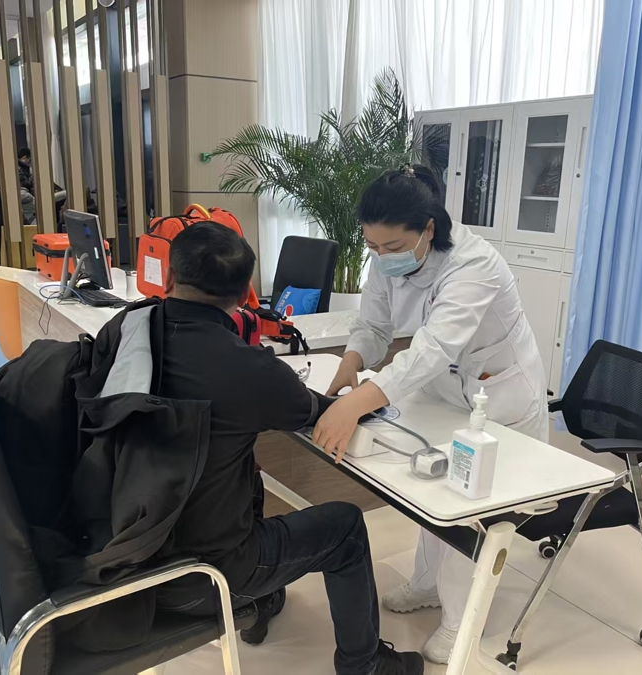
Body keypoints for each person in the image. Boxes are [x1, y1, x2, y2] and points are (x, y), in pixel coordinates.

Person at [131, 223, 424, 675]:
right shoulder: (245, 368)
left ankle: (263, 600)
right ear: (246, 294)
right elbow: (319, 412)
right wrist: (363, 401)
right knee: (345, 526)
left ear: (168, 277)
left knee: (241, 471)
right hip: (204, 577)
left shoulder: (125, 332)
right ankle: (364, 665)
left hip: (127, 557)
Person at [312, 165, 549, 664]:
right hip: (444, 394)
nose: (382, 256)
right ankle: (426, 583)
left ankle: (461, 621)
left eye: (393, 246)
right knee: (434, 485)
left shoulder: (475, 265)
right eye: (373, 246)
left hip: (497, 398)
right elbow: (374, 324)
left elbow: (434, 347)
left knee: (470, 502)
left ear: (429, 229)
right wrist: (351, 360)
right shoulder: (387, 255)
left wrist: (356, 402)